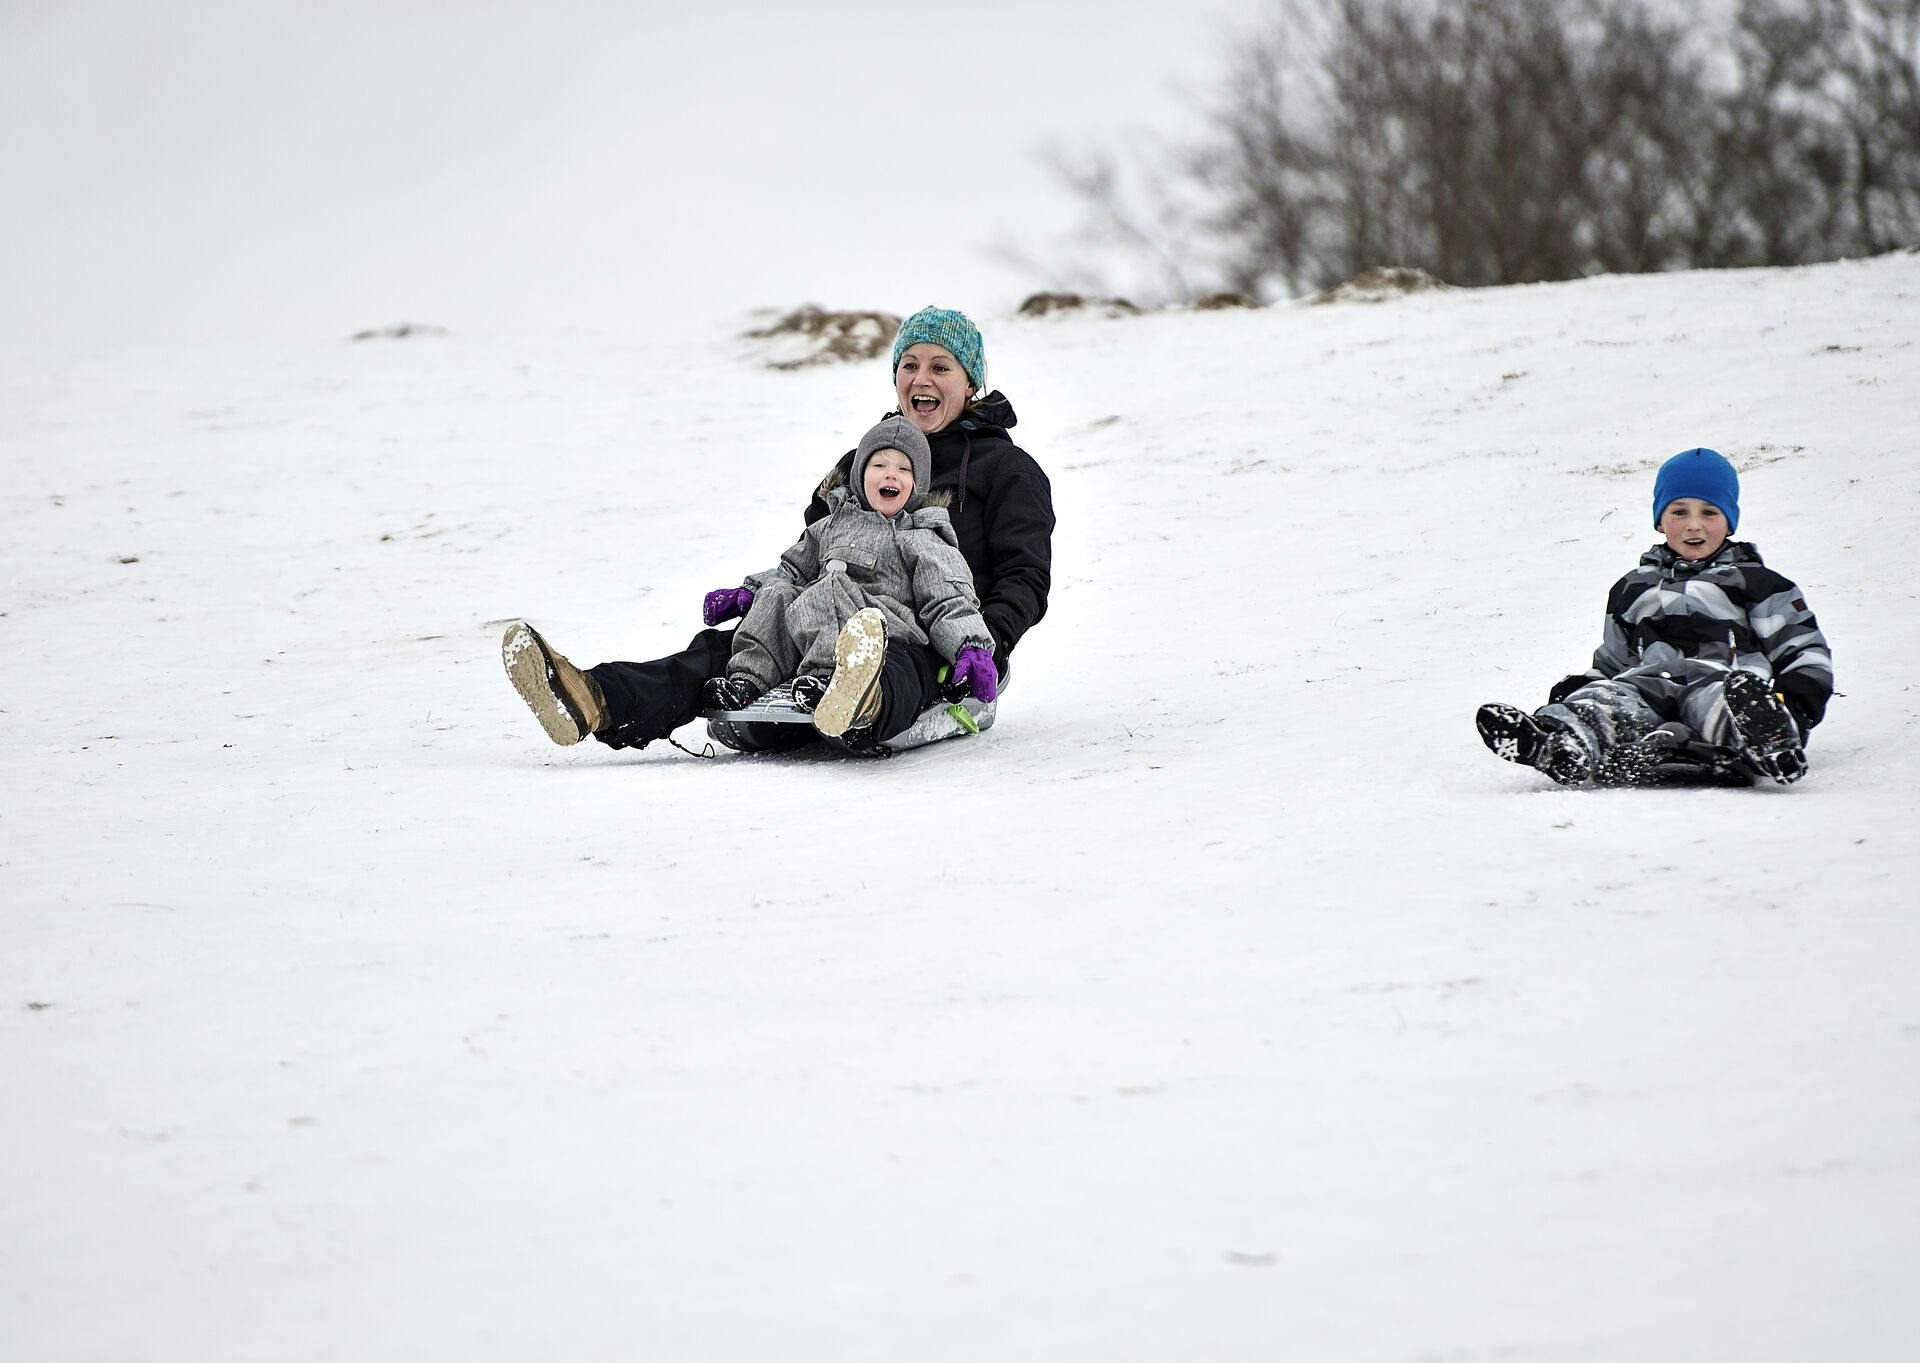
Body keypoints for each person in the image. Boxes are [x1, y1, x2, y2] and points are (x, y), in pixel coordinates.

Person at [502, 305, 1054, 753]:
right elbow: (811, 553)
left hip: (933, 639)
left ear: (971, 382)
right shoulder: (858, 464)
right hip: (831, 618)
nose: (922, 378)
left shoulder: (1007, 471)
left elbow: (1024, 575)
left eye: (941, 366)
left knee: (896, 661)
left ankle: (861, 698)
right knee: (732, 649)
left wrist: (983, 647)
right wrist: (761, 597)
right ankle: (595, 698)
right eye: (909, 365)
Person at [1475, 446, 1834, 787]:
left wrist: (1799, 703)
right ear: (1660, 521)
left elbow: (1802, 648)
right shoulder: (1632, 588)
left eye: (1709, 513)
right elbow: (1614, 660)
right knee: (1605, 703)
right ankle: (1557, 744)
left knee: (1723, 709)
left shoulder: (1758, 583)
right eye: (1679, 512)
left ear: (1730, 521)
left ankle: (1769, 738)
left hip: (1718, 680)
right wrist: (1581, 689)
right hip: (1645, 685)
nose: (1694, 525)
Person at [697, 414, 999, 742]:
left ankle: (830, 680)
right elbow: (791, 570)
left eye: (904, 469)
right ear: (860, 475)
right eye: (879, 466)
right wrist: (749, 592)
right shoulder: (829, 525)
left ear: (917, 485)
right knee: (778, 593)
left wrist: (970, 646)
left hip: (881, 628)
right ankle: (748, 681)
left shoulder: (921, 536)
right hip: (818, 620)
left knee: (830, 586)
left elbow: (947, 598)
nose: (891, 475)